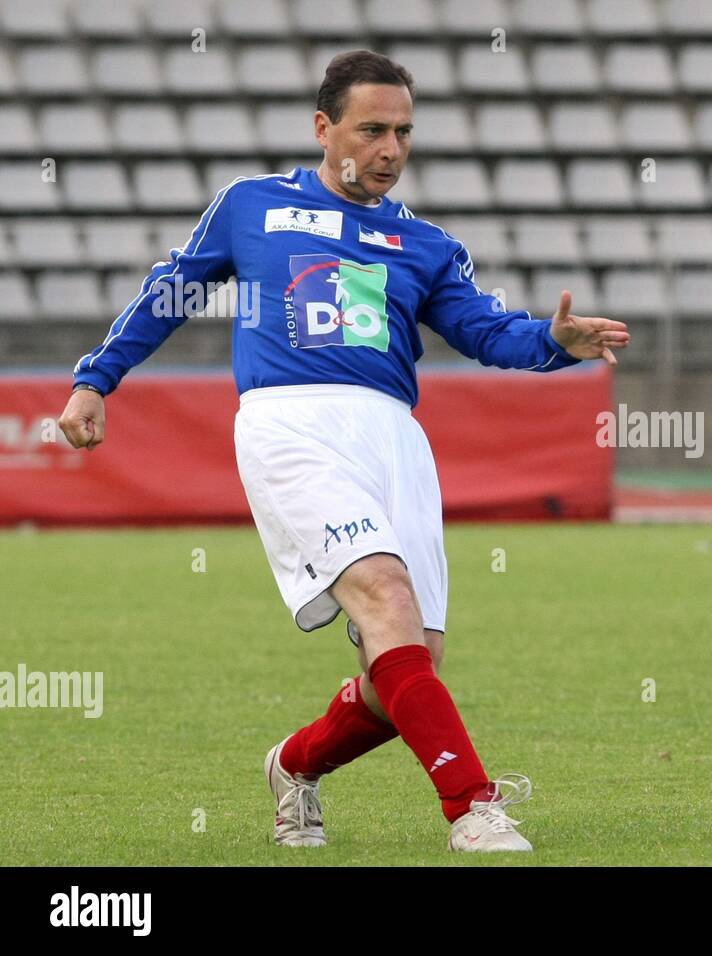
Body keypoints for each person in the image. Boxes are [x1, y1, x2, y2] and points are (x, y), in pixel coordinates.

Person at [57, 50, 629, 853]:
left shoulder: (425, 245)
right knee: (386, 598)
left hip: (393, 436)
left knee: (408, 667)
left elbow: (488, 333)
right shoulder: (253, 207)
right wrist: (96, 379)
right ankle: (472, 806)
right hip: (291, 423)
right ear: (324, 129)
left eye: (403, 132)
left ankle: (294, 766)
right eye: (372, 130)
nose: (390, 149)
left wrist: (554, 342)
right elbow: (170, 290)